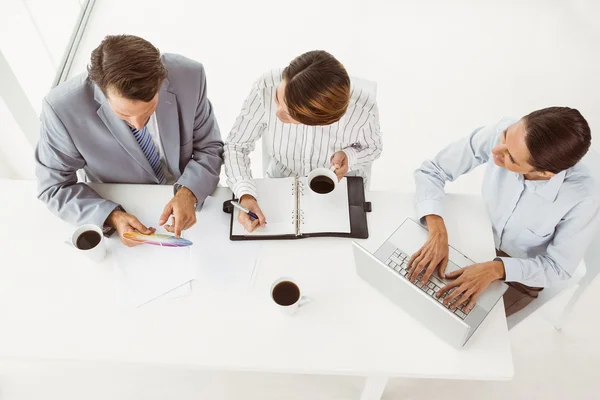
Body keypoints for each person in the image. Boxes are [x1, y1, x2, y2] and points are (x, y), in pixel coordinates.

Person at [409, 107, 600, 316]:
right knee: (410, 290)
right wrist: (438, 231)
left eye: (511, 158)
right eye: (505, 137)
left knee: (445, 317)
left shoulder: (583, 197)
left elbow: (558, 268)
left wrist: (496, 269)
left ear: (545, 174)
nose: (496, 151)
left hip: (520, 273)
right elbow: (433, 170)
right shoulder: (505, 133)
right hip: (475, 237)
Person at [35, 35, 223, 245]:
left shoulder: (190, 76)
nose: (139, 125)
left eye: (148, 112)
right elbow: (53, 187)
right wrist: (111, 216)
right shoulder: (61, 110)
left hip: (194, 198)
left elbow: (210, 147)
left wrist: (189, 191)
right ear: (101, 92)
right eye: (124, 116)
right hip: (121, 204)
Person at [224, 50, 382, 233]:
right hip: (281, 183)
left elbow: (374, 147)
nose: (277, 114)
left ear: (321, 122)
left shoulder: (363, 108)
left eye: (290, 115)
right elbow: (236, 146)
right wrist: (245, 193)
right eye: (278, 99)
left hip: (339, 193)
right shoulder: (266, 86)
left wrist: (350, 155)